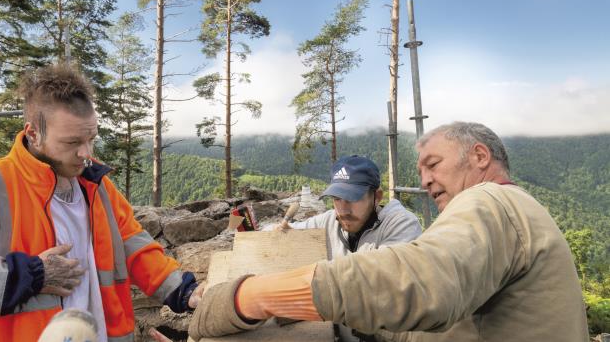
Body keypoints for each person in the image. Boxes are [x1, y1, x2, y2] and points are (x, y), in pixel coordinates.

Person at [187, 122, 589, 342]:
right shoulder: (517, 208)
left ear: (480, 156)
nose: (427, 180)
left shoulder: (490, 200)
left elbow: (421, 283)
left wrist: (251, 295)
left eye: (434, 164)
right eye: (421, 171)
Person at [0, 64, 202, 342]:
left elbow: (132, 243)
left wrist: (182, 290)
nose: (86, 153)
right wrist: (28, 275)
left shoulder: (97, 185)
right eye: (72, 142)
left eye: (91, 139)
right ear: (34, 134)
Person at [273, 155, 421, 342]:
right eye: (336, 198)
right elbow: (279, 233)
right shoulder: (328, 220)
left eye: (352, 198)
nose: (343, 210)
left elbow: (376, 281)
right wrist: (281, 232)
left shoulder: (401, 224)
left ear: (377, 197)